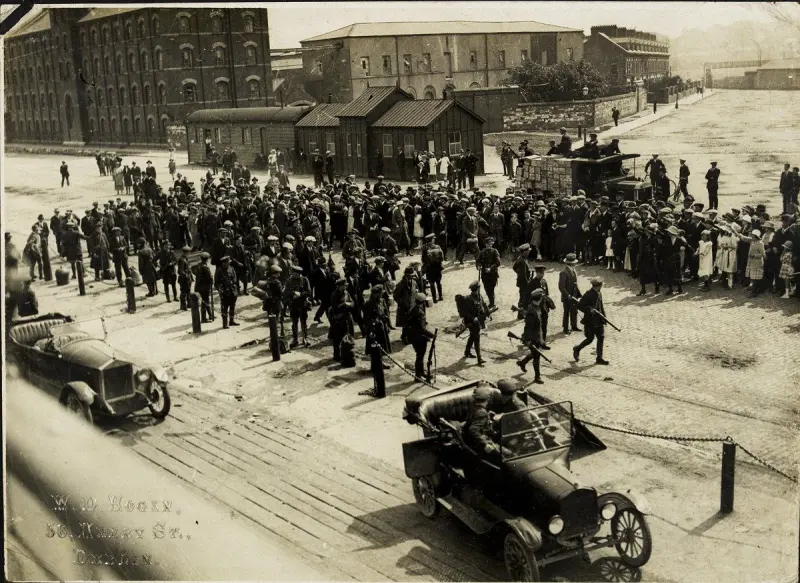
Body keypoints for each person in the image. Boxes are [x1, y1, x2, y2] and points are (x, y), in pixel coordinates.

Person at [463, 386, 507, 463]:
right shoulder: (482, 412)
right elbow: (473, 430)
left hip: (472, 439)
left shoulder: (473, 406)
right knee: (507, 454)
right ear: (487, 400)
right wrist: (485, 444)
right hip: (481, 442)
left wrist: (488, 415)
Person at [574, 276, 609, 366]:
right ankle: (577, 349)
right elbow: (580, 305)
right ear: (598, 286)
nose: (601, 287)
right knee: (590, 339)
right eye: (600, 285)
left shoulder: (599, 293)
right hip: (590, 321)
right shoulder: (588, 294)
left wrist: (604, 318)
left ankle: (599, 358)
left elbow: (600, 306)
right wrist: (590, 309)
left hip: (598, 320)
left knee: (601, 338)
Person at [516, 288, 546, 384]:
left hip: (537, 336)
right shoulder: (532, 311)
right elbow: (528, 327)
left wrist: (541, 338)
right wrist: (527, 340)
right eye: (540, 298)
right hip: (532, 337)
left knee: (534, 354)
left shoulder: (537, 308)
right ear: (536, 299)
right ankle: (537, 377)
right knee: (537, 357)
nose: (541, 300)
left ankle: (522, 362)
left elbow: (539, 324)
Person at [407, 292, 435, 379]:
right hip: (420, 338)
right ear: (422, 302)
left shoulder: (412, 310)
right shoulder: (420, 313)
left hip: (413, 336)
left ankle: (420, 374)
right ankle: (418, 375)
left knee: (419, 356)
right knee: (420, 356)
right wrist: (432, 335)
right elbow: (422, 329)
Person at [462, 281, 488, 366]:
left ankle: (467, 352)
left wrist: (488, 313)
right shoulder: (468, 299)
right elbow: (465, 312)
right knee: (476, 338)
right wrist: (473, 318)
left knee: (473, 336)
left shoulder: (479, 296)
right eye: (479, 288)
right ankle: (479, 358)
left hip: (478, 321)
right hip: (471, 322)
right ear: (477, 289)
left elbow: (483, 305)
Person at [558, 253, 581, 334]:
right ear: (571, 263)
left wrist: (578, 294)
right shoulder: (563, 273)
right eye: (574, 262)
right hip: (567, 296)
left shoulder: (574, 270)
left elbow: (575, 283)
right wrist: (567, 295)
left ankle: (574, 326)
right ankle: (565, 328)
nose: (575, 263)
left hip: (574, 295)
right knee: (567, 312)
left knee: (574, 311)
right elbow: (561, 287)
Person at [215, 255, 239, 328]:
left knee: (232, 306)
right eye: (228, 262)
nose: (229, 263)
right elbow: (216, 283)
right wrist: (220, 289)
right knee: (224, 307)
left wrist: (234, 286)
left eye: (229, 262)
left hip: (232, 291)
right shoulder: (219, 271)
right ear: (223, 263)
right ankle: (225, 323)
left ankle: (231, 321)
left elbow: (235, 279)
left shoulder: (231, 269)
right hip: (225, 292)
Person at [477, 237, 501, 308]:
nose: (489, 245)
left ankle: (492, 304)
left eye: (491, 244)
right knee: (486, 289)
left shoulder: (495, 251)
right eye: (488, 244)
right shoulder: (482, 252)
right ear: (485, 244)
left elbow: (498, 262)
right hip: (484, 275)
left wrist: (490, 268)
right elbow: (478, 261)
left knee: (491, 289)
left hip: (493, 274)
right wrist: (478, 266)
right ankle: (491, 302)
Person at [195, 252, 215, 322]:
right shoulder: (205, 267)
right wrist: (211, 279)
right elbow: (210, 277)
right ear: (207, 259)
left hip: (198, 286)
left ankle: (210, 315)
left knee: (205, 301)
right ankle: (203, 318)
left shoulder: (198, 265)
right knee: (205, 302)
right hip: (204, 287)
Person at [177, 246, 193, 310]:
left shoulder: (185, 258)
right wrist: (186, 275)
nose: (189, 253)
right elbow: (180, 271)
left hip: (187, 278)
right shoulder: (181, 259)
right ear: (186, 252)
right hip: (184, 279)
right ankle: (183, 306)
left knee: (188, 291)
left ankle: (189, 304)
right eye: (189, 252)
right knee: (183, 292)